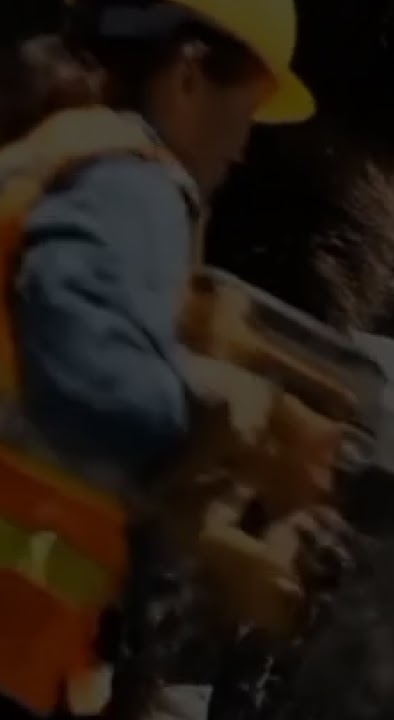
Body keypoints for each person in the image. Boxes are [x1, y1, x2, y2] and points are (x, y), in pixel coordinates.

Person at [0, 1, 326, 718]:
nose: (244, 148)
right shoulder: (132, 183)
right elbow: (88, 377)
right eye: (245, 113)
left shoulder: (61, 150)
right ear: (187, 77)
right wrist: (229, 411)